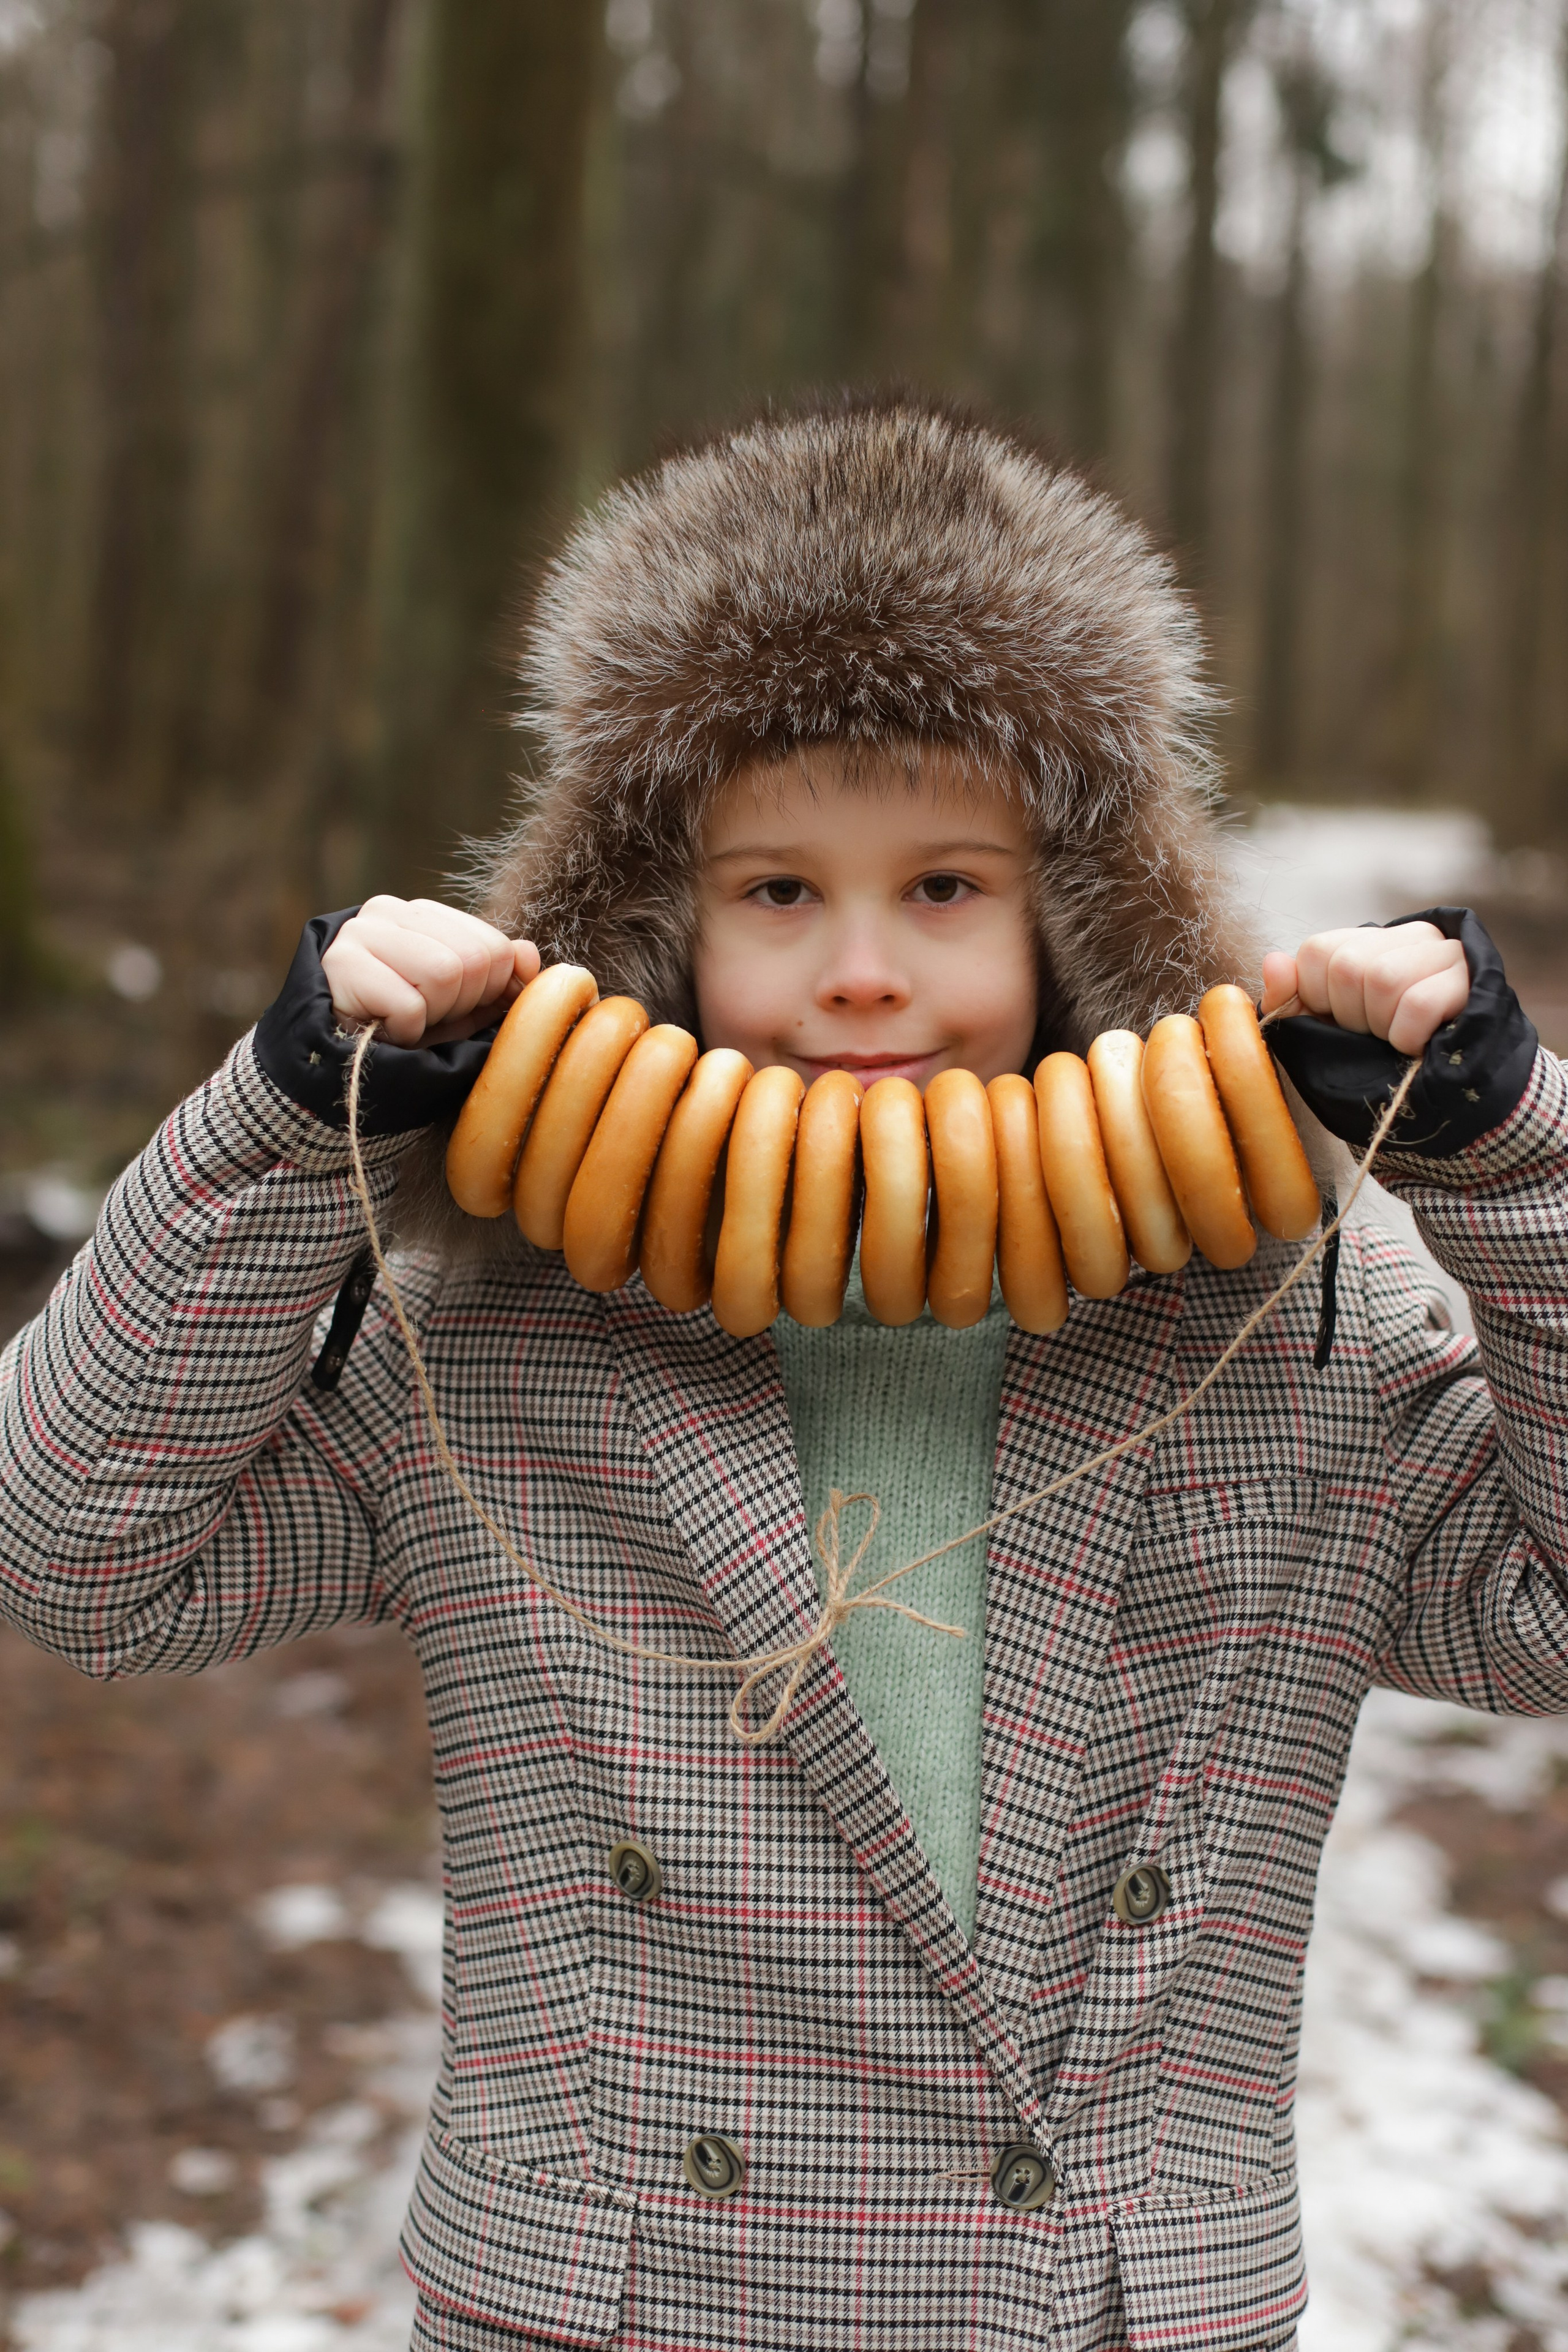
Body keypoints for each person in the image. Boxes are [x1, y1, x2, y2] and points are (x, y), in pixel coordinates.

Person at [1, 401, 1561, 2352]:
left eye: (944, 889)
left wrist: (1514, 1161)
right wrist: (282, 1123)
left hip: (1109, 2315)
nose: (859, 976)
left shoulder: (1279, 1333)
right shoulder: (505, 1335)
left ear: (1082, 912)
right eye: (774, 893)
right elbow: (78, 1555)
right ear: (653, 918)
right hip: (615, 2313)